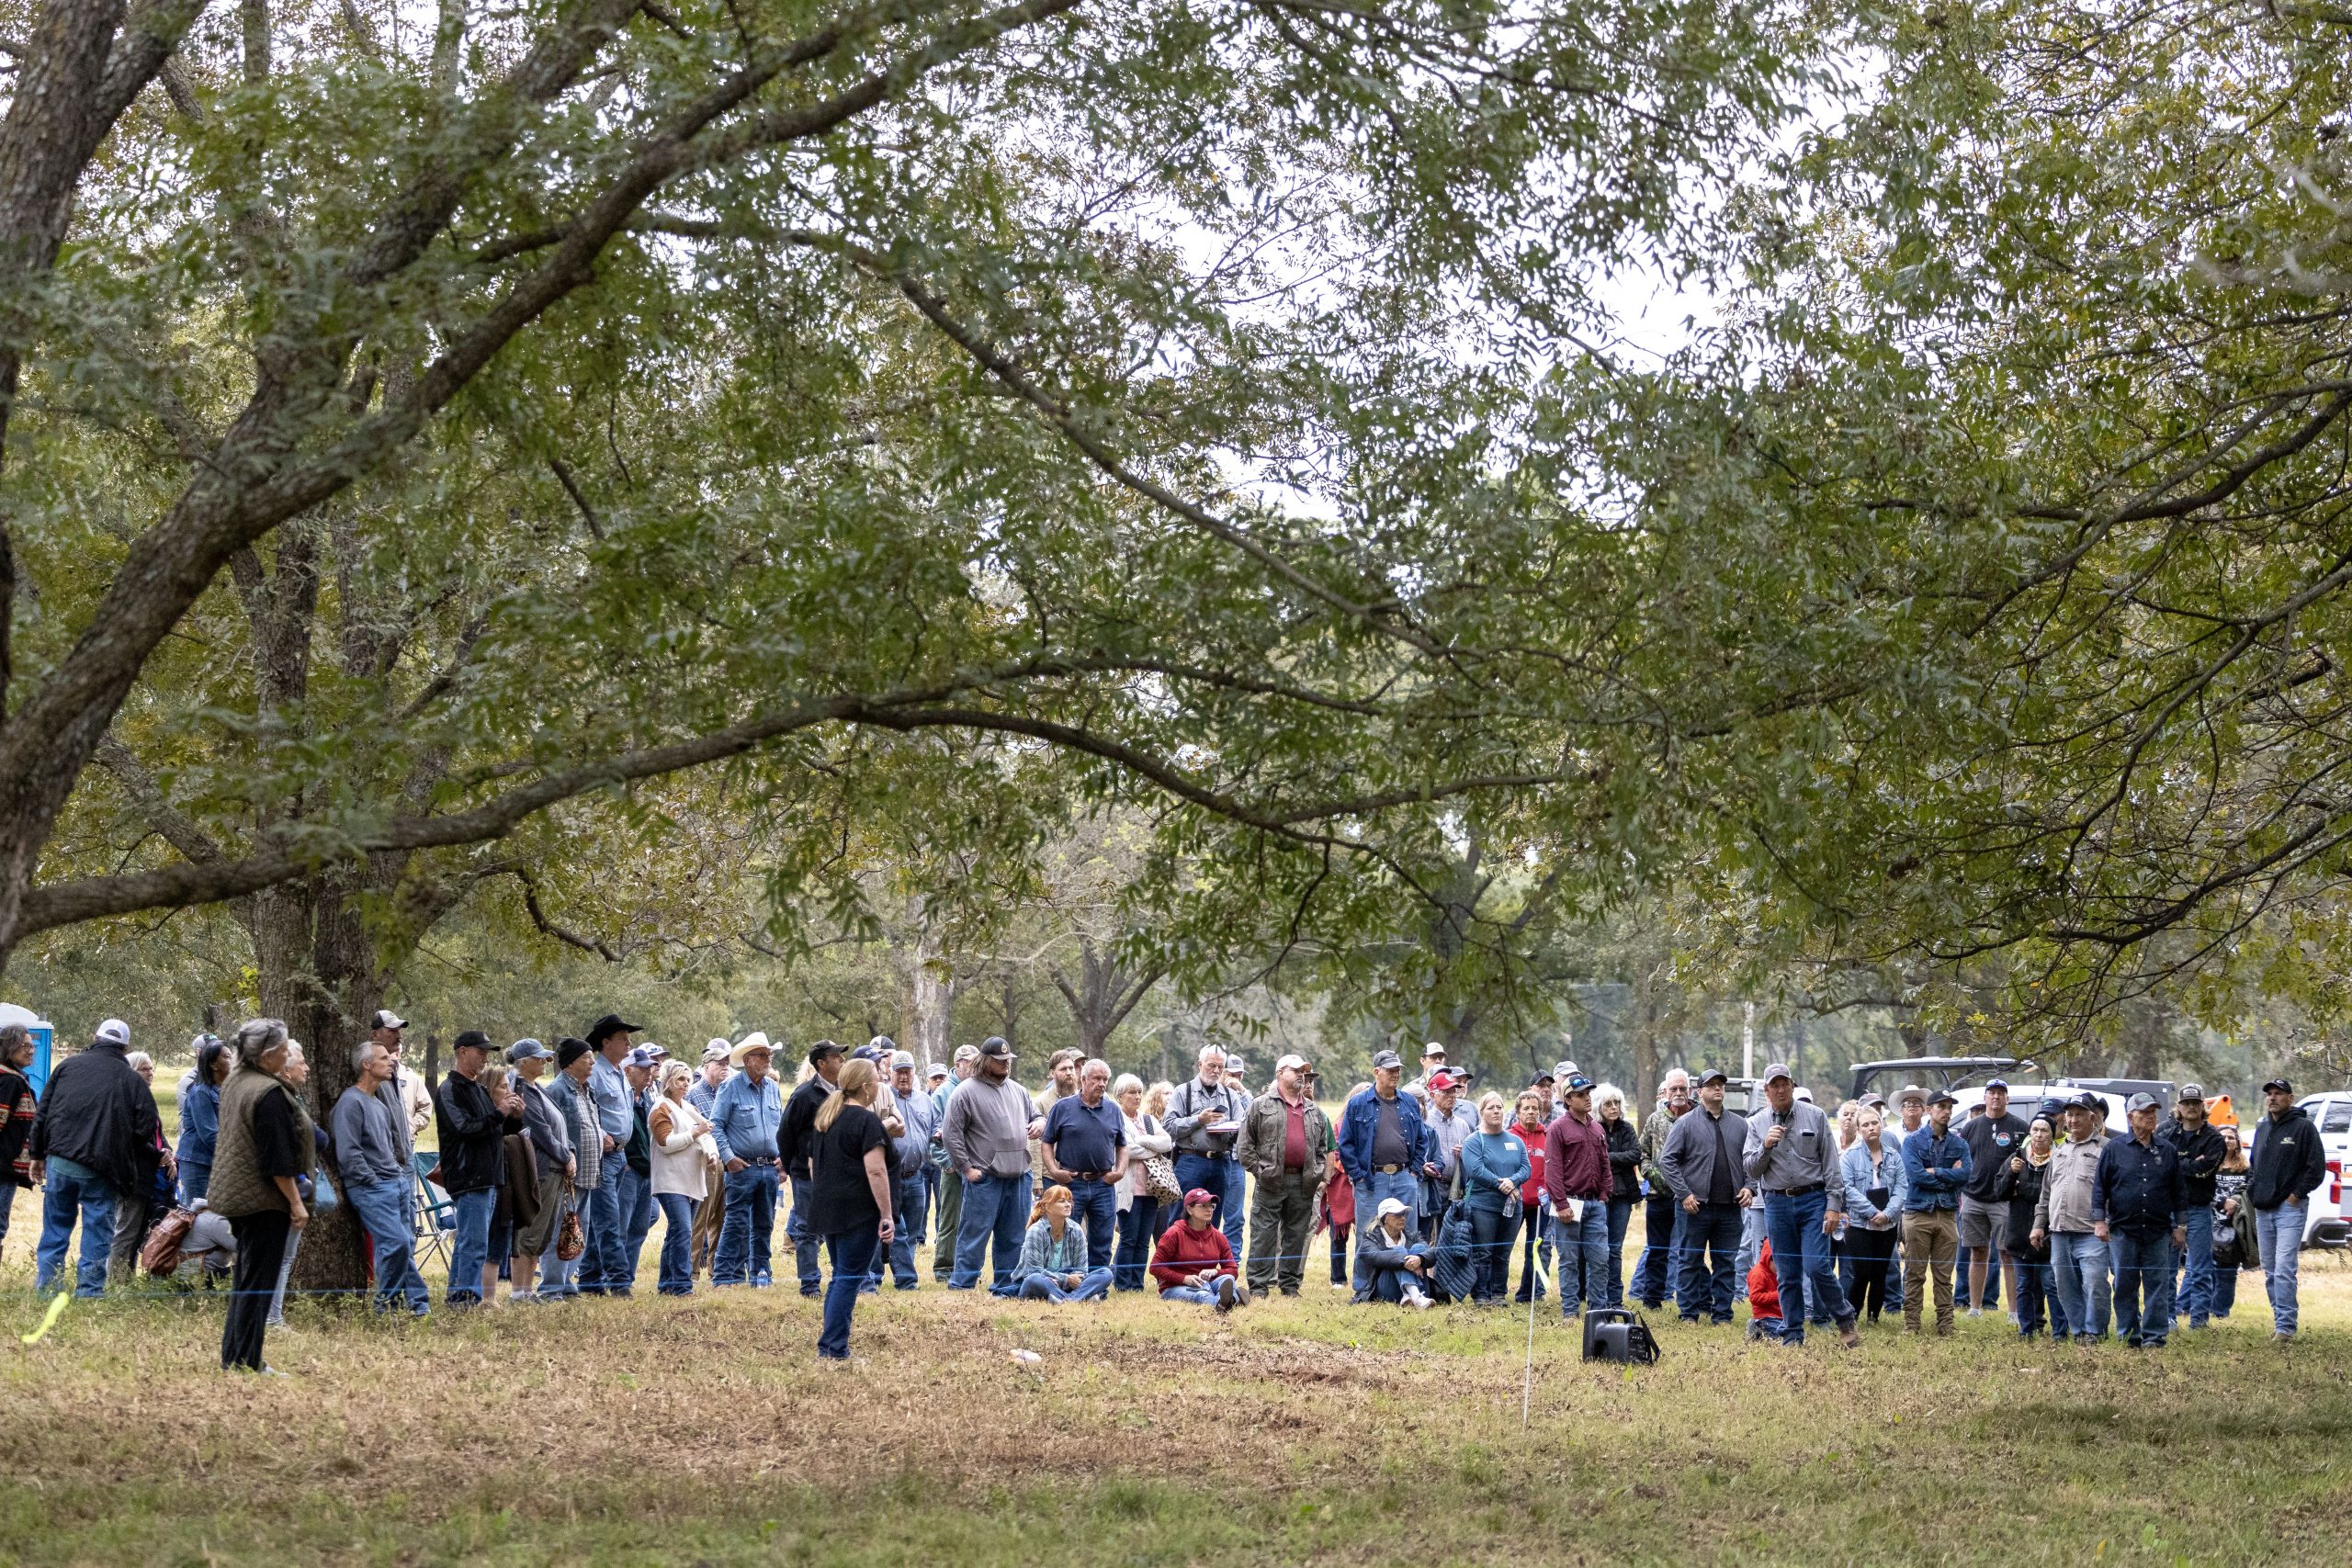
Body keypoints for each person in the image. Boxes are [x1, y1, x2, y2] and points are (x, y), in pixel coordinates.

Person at [207, 1019, 312, 1374]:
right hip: (263, 1201)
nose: (288, 1054)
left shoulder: (237, 1080)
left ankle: (234, 1356)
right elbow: (277, 1161)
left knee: (245, 1280)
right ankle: (248, 1361)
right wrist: (296, 1204)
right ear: (267, 1055)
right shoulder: (268, 1094)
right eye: (283, 1050)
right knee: (258, 1283)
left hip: (237, 1197)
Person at [29, 1019, 161, 1298]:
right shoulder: (131, 1080)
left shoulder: (67, 1066)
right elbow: (147, 1125)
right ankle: (89, 1292)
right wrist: (124, 1147)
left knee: (55, 1228)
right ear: (125, 1047)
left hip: (60, 1162)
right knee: (97, 1233)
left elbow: (44, 1111)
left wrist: (37, 1155)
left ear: (94, 1037)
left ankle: (47, 1290)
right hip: (103, 1168)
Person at [1742, 1064, 1860, 1348]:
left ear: (1793, 1086)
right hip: (1776, 1202)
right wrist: (1766, 1147)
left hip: (1813, 1201)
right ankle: (1793, 1334)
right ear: (1766, 1091)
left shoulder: (1816, 1116)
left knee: (1817, 1266)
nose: (1781, 1089)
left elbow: (1832, 1165)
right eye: (1775, 1085)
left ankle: (1845, 1318)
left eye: (1785, 1084)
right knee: (1786, 1271)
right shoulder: (1756, 1123)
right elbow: (1751, 1168)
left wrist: (1834, 1204)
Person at [803, 1058, 895, 1360]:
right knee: (849, 1278)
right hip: (858, 1212)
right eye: (878, 1079)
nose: (880, 1084)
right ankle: (835, 1348)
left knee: (841, 1276)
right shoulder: (867, 1122)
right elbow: (877, 1172)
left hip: (829, 1209)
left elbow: (813, 1166)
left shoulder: (826, 1119)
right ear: (867, 1087)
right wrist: (886, 1214)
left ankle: (829, 1345)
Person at [333, 1039, 432, 1315]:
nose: (392, 1062)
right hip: (372, 1188)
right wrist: (372, 1181)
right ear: (367, 1065)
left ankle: (415, 1302)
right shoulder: (350, 1102)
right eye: (384, 1058)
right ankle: (384, 1306)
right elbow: (348, 1152)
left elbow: (389, 1144)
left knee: (403, 1244)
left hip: (396, 1182)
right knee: (396, 1242)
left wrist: (398, 1175)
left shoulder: (378, 1103)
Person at [943, 1036, 1042, 1295]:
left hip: (1019, 1176)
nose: (1006, 1064)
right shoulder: (965, 1092)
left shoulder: (1018, 1090)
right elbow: (951, 1134)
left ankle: (1005, 1286)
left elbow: (1037, 1116)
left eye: (1008, 1060)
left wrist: (1040, 1122)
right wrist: (966, 1168)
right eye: (1001, 1060)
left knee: (1012, 1237)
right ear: (986, 1061)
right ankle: (962, 1286)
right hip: (985, 1178)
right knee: (974, 1235)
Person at [434, 1031, 524, 1308]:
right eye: (480, 1051)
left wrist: (514, 1118)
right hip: (469, 1175)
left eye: (487, 1052)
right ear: (462, 1052)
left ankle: (458, 1298)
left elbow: (494, 1129)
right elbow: (464, 1128)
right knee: (473, 1245)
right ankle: (465, 1300)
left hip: (488, 1176)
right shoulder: (450, 1090)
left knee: (471, 1243)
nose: (485, 1057)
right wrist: (499, 1114)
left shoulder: (476, 1089)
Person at [1234, 1053, 1333, 1298]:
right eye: (1295, 1070)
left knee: (1296, 1235)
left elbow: (1322, 1147)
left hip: (1303, 1182)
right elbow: (1245, 1146)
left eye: (1304, 1071)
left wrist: (1317, 1173)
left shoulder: (1313, 1110)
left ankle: (1290, 1286)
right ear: (1280, 1073)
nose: (1301, 1074)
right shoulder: (1260, 1105)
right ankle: (1258, 1286)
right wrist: (1261, 1171)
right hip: (1270, 1181)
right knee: (1263, 1234)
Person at [2096, 1091, 2188, 1349]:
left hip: (2158, 1230)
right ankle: (2128, 1334)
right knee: (2125, 1284)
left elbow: (2179, 1192)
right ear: (2130, 1117)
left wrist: (2180, 1226)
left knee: (2157, 1284)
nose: (2150, 1117)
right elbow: (2099, 1189)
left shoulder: (2167, 1150)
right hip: (2123, 1229)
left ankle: (2154, 1336)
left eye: (2153, 1112)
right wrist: (2099, 1221)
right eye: (2144, 1112)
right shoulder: (2114, 1149)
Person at [1657, 1068, 1747, 1325]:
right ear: (1700, 1092)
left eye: (1721, 1085)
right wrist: (1684, 1194)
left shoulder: (1740, 1125)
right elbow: (1667, 1160)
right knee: (1690, 1260)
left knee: (1726, 1263)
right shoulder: (1685, 1123)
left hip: (1730, 1207)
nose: (1718, 1089)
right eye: (1711, 1085)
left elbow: (1750, 1162)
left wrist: (1749, 1187)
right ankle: (1688, 1314)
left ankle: (1722, 1315)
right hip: (1694, 1207)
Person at [1337, 1050, 1429, 1297]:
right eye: (1390, 1070)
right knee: (1368, 1234)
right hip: (1371, 1179)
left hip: (1403, 1177)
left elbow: (1422, 1140)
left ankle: (1408, 1287)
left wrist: (1414, 1172)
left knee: (1407, 1233)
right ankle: (1364, 1288)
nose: (1396, 1074)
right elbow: (1345, 1144)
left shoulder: (1409, 1101)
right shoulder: (1358, 1104)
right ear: (1376, 1072)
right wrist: (1357, 1176)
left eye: (1398, 1069)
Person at [2247, 1077, 2326, 1341]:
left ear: (2290, 1099)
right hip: (2262, 1209)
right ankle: (2279, 1318)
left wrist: (2295, 1196)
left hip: (2289, 1209)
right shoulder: (2262, 1128)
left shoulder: (2304, 1128)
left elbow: (2316, 1170)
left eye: (2279, 1093)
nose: (2272, 1097)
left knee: (2283, 1268)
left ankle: (2286, 1328)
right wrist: (2251, 1189)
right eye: (2269, 1093)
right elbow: (2253, 1165)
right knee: (2269, 1269)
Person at [2031, 1093, 2112, 1344]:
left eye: (2079, 1114)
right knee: (2064, 1286)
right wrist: (2037, 1225)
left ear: (2092, 1118)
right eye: (2069, 1114)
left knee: (2095, 1284)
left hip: (2091, 1231)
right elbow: (2046, 1193)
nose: (2073, 1119)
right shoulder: (2060, 1151)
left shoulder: (2105, 1148)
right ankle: (2079, 1332)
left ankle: (2095, 1331)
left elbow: (2114, 1190)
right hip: (2059, 1231)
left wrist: (2107, 1221)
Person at [574, 1014, 642, 1295]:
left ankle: (590, 1280)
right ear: (606, 1043)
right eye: (623, 1039)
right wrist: (600, 1133)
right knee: (609, 1221)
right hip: (603, 1156)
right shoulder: (596, 1074)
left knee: (605, 1222)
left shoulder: (619, 1073)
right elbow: (585, 1109)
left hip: (619, 1156)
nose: (629, 1044)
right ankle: (619, 1282)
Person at [709, 1032, 785, 1288]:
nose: (768, 1059)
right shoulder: (731, 1087)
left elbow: (780, 1128)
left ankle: (761, 1275)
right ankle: (723, 1277)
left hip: (769, 1168)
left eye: (769, 1055)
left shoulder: (773, 1088)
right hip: (743, 1168)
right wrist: (729, 1158)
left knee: (765, 1225)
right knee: (736, 1223)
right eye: (763, 1055)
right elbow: (716, 1126)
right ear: (749, 1059)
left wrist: (783, 1158)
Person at [1041, 1057, 1129, 1273]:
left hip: (1103, 1183)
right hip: (1072, 1183)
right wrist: (1054, 1171)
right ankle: (1065, 1280)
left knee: (1102, 1238)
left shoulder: (1113, 1110)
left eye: (1105, 1079)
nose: (1101, 1084)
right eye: (1097, 1079)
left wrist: (1119, 1172)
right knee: (1065, 1234)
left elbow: (1122, 1146)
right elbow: (1046, 1142)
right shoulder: (1062, 1107)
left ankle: (1097, 1284)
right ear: (1083, 1079)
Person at [505, 1039, 574, 1303]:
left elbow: (559, 1125)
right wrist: (565, 1156)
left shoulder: (538, 1088)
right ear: (524, 1062)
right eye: (540, 1058)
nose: (546, 1062)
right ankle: (518, 1292)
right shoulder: (520, 1088)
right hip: (540, 1169)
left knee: (543, 1233)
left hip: (555, 1168)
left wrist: (569, 1152)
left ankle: (527, 1291)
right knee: (531, 1231)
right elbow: (541, 1131)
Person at [1897, 1089, 1970, 1336]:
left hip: (1948, 1213)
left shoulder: (1959, 1143)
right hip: (1918, 1212)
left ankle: (1946, 1324)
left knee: (1944, 1274)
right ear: (1929, 1110)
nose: (1947, 1111)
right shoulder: (1912, 1141)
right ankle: (1912, 1323)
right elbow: (1915, 1176)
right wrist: (1950, 1175)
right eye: (1941, 1106)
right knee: (1915, 1273)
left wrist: (1936, 1172)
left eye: (1949, 1107)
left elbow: (1966, 1175)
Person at [1952, 1077, 2026, 1320]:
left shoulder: (2019, 1127)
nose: (1995, 1097)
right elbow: (1959, 1159)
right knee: (1977, 1253)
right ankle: (1975, 1308)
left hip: (2004, 1201)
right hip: (1973, 1198)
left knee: (2007, 1254)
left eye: (2000, 1093)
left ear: (2007, 1098)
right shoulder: (1972, 1127)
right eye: (1991, 1093)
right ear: (1984, 1098)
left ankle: (2014, 1311)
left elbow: (2027, 1162)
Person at [2155, 1083, 2226, 1330]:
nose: (2191, 1107)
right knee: (2167, 1267)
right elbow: (2158, 1166)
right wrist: (2185, 1165)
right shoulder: (2166, 1134)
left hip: (2198, 1208)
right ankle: (2168, 1317)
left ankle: (2199, 1321)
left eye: (2196, 1103)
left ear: (2203, 1106)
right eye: (2186, 1103)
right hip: (2169, 1208)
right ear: (2179, 1107)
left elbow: (2203, 1171)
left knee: (2200, 1267)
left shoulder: (2215, 1138)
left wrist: (2176, 1164)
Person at [777, 1039, 845, 1297]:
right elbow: (785, 1134)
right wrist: (793, 1167)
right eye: (836, 1056)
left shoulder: (844, 1092)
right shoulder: (805, 1095)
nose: (841, 1060)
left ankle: (842, 1279)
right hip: (807, 1176)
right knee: (807, 1229)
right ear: (821, 1063)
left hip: (839, 1174)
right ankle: (809, 1284)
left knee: (838, 1226)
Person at [1992, 1114, 2064, 1339]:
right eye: (2035, 1130)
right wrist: (2013, 1173)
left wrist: (2022, 1190)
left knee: (2052, 1285)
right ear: (2029, 1133)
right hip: (2019, 1232)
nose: (2039, 1135)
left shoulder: (2060, 1158)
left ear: (2052, 1134)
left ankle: (2061, 1332)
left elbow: (2054, 1196)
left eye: (2044, 1130)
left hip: (2049, 1234)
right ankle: (2027, 1331)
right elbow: (1999, 1192)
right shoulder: (2018, 1158)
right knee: (2023, 1286)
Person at [107, 1050, 176, 1287]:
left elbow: (157, 1133)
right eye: (144, 1069)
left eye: (151, 1069)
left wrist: (168, 1153)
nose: (150, 1073)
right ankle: (115, 1281)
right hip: (132, 1176)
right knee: (125, 1230)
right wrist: (158, 1155)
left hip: (150, 1175)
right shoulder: (127, 1098)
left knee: (138, 1231)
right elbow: (133, 1139)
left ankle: (127, 1278)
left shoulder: (145, 1096)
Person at [1544, 1075, 1612, 1315]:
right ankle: (1570, 1311)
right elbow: (1552, 1169)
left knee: (1600, 1260)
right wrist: (1561, 1203)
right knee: (1569, 1260)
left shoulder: (1597, 1128)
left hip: (1595, 1203)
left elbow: (1605, 1164)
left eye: (1588, 1094)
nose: (1587, 1098)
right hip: (1569, 1203)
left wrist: (1604, 1194)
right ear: (1568, 1099)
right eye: (1581, 1095)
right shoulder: (1557, 1128)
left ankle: (1598, 1311)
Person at [1164, 1045, 1247, 1241]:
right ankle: (1174, 1268)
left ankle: (1205, 1267)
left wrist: (1233, 1130)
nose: (1216, 1071)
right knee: (1181, 1217)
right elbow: (1168, 1127)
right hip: (1190, 1161)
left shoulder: (1230, 1095)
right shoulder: (1183, 1092)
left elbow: (1243, 1127)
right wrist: (1198, 1120)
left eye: (1220, 1067)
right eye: (1211, 1066)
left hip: (1221, 1163)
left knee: (1212, 1219)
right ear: (1200, 1064)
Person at [647, 1058, 715, 1297]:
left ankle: (667, 1283)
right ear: (668, 1082)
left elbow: (707, 1134)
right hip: (671, 1179)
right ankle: (682, 1285)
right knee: (683, 1230)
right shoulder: (660, 1109)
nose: (686, 1084)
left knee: (676, 1231)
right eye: (680, 1080)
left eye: (688, 1079)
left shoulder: (688, 1108)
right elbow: (666, 1143)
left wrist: (711, 1153)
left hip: (693, 1178)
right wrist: (694, 1133)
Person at [1459, 1091, 1532, 1303]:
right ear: (1482, 1112)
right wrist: (1504, 1185)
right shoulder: (1474, 1141)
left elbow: (1526, 1168)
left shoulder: (1515, 1141)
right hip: (1483, 1206)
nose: (1496, 1111)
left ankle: (1499, 1294)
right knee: (1484, 1253)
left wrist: (1514, 1181)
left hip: (1512, 1207)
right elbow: (1476, 1170)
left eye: (1499, 1107)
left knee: (1503, 1253)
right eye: (1491, 1108)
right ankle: (1481, 1295)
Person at [1838, 1105, 1906, 1325]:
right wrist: (1871, 1212)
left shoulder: (1893, 1156)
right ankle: (1852, 1316)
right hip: (1859, 1224)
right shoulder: (1849, 1157)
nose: (1871, 1128)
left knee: (1881, 1272)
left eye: (1874, 1123)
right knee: (1861, 1273)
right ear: (1859, 1129)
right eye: (1865, 1125)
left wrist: (1887, 1214)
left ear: (1881, 1124)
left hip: (1887, 1224)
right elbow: (1847, 1188)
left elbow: (1901, 1188)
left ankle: (1873, 1317)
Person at [1632, 1069, 1691, 1309]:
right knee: (1657, 1251)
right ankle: (1652, 1300)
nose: (1678, 1093)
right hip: (1659, 1196)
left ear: (1690, 1091)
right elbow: (1642, 1153)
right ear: (1665, 1092)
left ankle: (1691, 1302)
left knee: (1689, 1252)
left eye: (1682, 1089)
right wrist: (1654, 1176)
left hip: (1690, 1198)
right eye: (1673, 1089)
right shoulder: (1656, 1120)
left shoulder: (1698, 1115)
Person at [1113, 1073, 1176, 1292]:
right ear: (1120, 1096)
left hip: (1152, 1190)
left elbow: (1167, 1142)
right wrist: (1150, 1147)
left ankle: (1136, 1284)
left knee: (1143, 1240)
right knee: (1129, 1238)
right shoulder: (1115, 1119)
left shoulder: (1149, 1120)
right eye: (1132, 1092)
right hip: (1128, 1189)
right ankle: (1122, 1283)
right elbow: (1125, 1150)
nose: (1137, 1096)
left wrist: (1142, 1141)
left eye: (1139, 1092)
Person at [877, 1052, 934, 1291]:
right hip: (891, 1176)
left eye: (907, 1071)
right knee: (895, 1230)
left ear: (914, 1073)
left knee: (912, 1231)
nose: (903, 1076)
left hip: (917, 1175)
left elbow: (935, 1125)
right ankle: (906, 1280)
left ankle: (901, 1273)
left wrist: (938, 1134)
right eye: (899, 1071)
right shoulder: (883, 1098)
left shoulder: (925, 1100)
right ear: (891, 1074)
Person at [931, 1043, 980, 1281]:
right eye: (971, 1062)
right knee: (950, 1219)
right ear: (958, 1063)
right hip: (953, 1169)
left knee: (973, 1220)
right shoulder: (942, 1093)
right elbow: (933, 1134)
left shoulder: (979, 1088)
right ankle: (943, 1268)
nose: (975, 1067)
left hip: (976, 1167)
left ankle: (967, 1268)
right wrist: (948, 1163)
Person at [1015, 1182, 1114, 1301]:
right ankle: (1081, 1298)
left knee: (1106, 1273)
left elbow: (1081, 1270)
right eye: (1062, 1201)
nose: (1068, 1205)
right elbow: (1034, 1271)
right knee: (1034, 1279)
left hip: (1069, 1286)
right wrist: (1066, 1279)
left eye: (1069, 1201)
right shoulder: (1036, 1230)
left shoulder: (1076, 1229)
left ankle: (1066, 1300)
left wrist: (1071, 1281)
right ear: (1047, 1207)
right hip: (1044, 1282)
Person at [1150, 1188, 1245, 1309]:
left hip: (1208, 1283)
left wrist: (1215, 1272)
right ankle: (1230, 1301)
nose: (1209, 1209)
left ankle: (1226, 1301)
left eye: (1211, 1206)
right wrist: (1184, 1278)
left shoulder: (1218, 1236)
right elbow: (1155, 1267)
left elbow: (1233, 1270)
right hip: (1175, 1287)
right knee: (1201, 1294)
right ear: (1189, 1209)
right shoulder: (1173, 1234)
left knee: (1228, 1278)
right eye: (1203, 1206)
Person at [1419, 1070, 1476, 1245]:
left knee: (1450, 1236)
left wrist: (1465, 1153)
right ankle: (1428, 1272)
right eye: (1446, 1092)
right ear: (1432, 1095)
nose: (1452, 1096)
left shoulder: (1462, 1125)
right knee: (1428, 1237)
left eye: (1453, 1091)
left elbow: (1471, 1159)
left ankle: (1445, 1272)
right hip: (1431, 1185)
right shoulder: (1425, 1123)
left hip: (1455, 1187)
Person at [1598, 1085, 1640, 1310]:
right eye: (1608, 1104)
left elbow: (1635, 1154)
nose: (1614, 1108)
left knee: (1615, 1249)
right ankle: (1597, 1297)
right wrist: (1617, 1159)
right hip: (1600, 1196)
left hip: (1623, 1196)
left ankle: (1615, 1299)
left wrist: (1608, 1157)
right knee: (1598, 1248)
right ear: (1599, 1107)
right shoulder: (1594, 1128)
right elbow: (1593, 1158)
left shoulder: (1626, 1129)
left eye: (1616, 1103)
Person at [175, 1036, 229, 1205]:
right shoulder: (201, 1092)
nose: (232, 1060)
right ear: (213, 1064)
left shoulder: (222, 1089)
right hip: (197, 1161)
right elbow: (210, 1134)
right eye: (226, 1057)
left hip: (214, 1159)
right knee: (194, 1212)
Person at [1354, 1195, 1434, 1308]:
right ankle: (1416, 1297)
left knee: (1419, 1248)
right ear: (1385, 1218)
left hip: (1422, 1289)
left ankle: (1414, 1296)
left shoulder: (1412, 1236)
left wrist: (1420, 1259)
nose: (1403, 1218)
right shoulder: (1371, 1238)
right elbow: (1375, 1257)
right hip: (1388, 1290)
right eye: (1397, 1215)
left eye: (1404, 1214)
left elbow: (1432, 1254)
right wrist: (1408, 1261)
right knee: (1399, 1250)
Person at [1510, 1088, 1551, 1304]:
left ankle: (1528, 1294)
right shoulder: (1509, 1135)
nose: (1531, 1112)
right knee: (1504, 1246)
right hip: (1514, 1201)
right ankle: (1494, 1290)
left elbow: (1552, 1168)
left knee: (1534, 1248)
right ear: (1518, 1111)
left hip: (1539, 1204)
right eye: (1526, 1108)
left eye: (1535, 1108)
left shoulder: (1548, 1136)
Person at [0, 1024, 37, 1257]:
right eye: (25, 1045)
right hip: (2, 1167)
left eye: (32, 1045)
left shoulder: (15, 1078)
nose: (31, 1050)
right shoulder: (8, 1081)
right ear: (8, 1047)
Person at [2211, 1125, 2254, 1319]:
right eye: (2222, 1137)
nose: (2227, 1141)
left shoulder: (2245, 1168)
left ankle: (2221, 1312)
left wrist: (2235, 1202)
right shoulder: (2209, 1164)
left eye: (2231, 1137)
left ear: (2237, 1142)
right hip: (2210, 1222)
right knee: (2208, 1269)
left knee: (2228, 1271)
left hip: (2234, 1225)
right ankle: (2203, 1308)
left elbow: (2249, 1191)